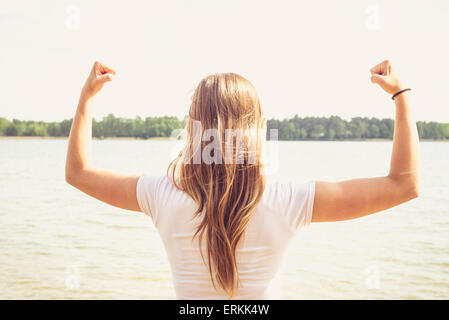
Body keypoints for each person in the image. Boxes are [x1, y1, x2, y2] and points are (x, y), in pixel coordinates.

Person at [65, 60, 419, 299]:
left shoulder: (160, 194)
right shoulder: (289, 201)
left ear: (193, 128)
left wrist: (86, 98)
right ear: (257, 128)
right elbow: (403, 184)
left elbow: (78, 173)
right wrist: (401, 97)